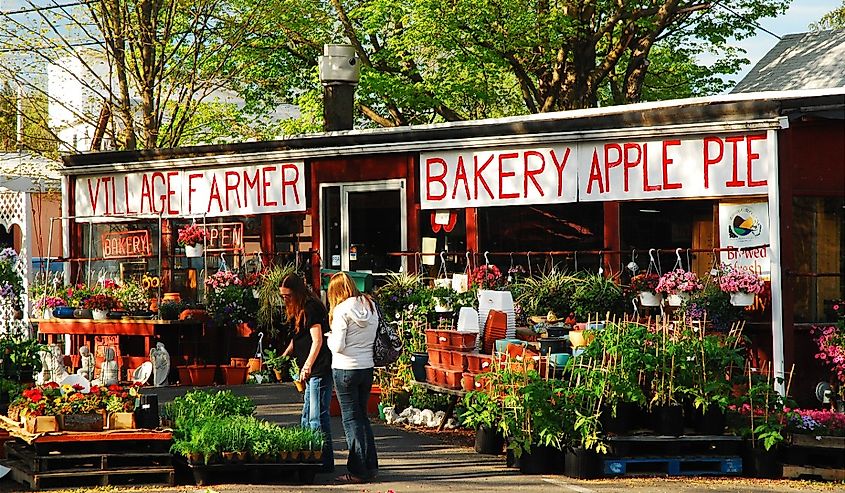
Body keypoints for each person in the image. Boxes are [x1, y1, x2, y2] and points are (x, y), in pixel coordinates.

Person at [326, 272, 379, 483]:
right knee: (363, 417)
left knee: (350, 420)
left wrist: (329, 338)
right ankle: (370, 466)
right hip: (367, 367)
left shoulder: (341, 310)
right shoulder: (370, 306)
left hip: (345, 367)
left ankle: (358, 470)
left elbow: (338, 346)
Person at [279, 273, 334, 472]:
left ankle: (323, 461)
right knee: (306, 417)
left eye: (287, 295)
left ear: (297, 292)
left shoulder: (312, 307)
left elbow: (317, 340)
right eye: (282, 296)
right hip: (309, 369)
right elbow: (298, 338)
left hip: (318, 368)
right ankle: (308, 456)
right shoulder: (299, 308)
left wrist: (308, 365)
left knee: (317, 417)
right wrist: (283, 357)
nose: (285, 299)